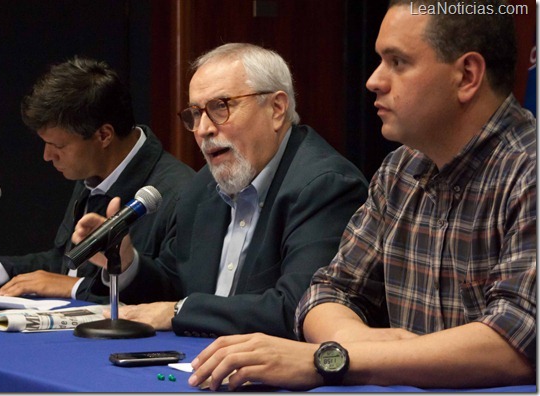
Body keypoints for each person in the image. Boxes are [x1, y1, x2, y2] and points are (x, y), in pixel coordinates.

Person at [187, 0, 536, 391]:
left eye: (397, 62)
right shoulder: (399, 172)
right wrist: (370, 347)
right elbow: (327, 292)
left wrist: (332, 359)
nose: (373, 80)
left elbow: (516, 341)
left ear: (467, 76)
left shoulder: (529, 171)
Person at [72, 43, 369, 339]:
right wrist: (127, 264)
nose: (203, 129)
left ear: (277, 109)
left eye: (220, 107)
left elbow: (300, 307)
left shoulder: (326, 186)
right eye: (196, 114)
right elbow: (174, 283)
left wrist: (179, 312)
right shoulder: (202, 188)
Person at [0, 56, 195, 303]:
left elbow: (174, 294)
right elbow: (66, 264)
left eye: (57, 145)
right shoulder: (94, 167)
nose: (47, 156)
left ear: (104, 135)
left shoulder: (183, 193)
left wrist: (76, 287)